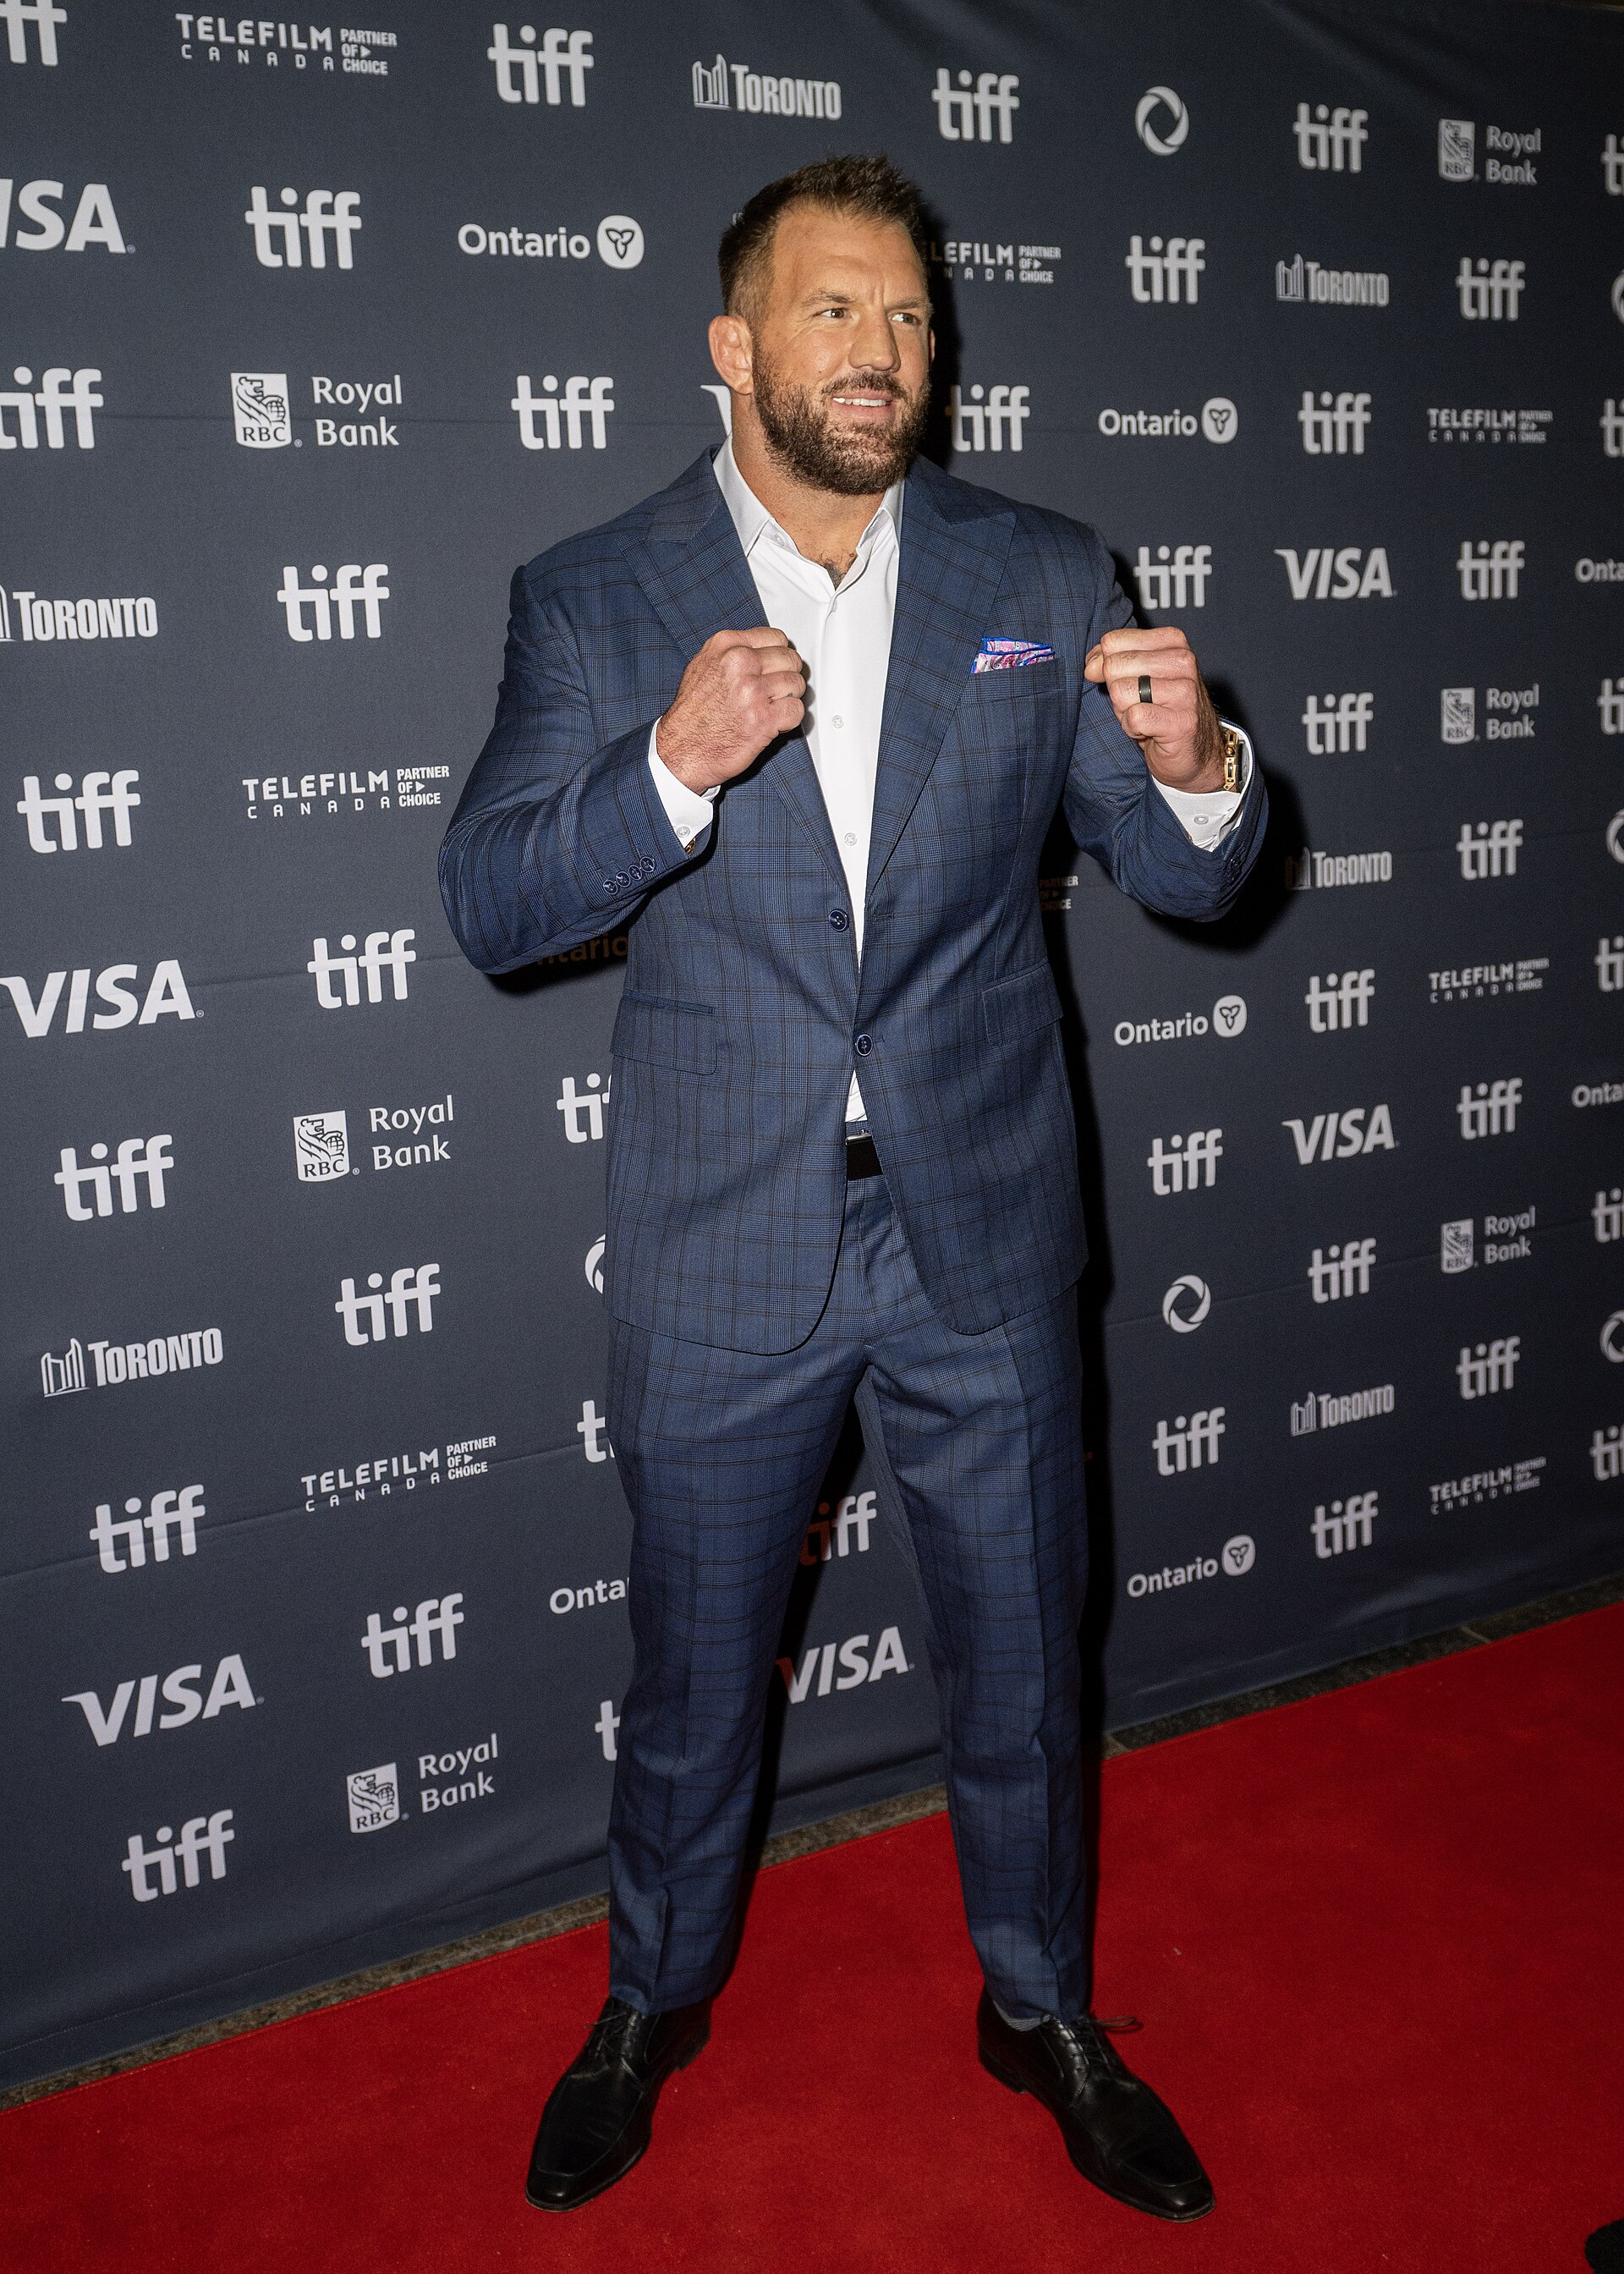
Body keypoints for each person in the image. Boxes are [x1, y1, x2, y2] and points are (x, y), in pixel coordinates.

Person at [440, 153, 1265, 2224]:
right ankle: (649, 1999)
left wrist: (1195, 775)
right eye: (832, 312)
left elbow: (1182, 878)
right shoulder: (593, 591)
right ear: (731, 347)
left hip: (980, 1227)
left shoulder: (1042, 569)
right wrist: (665, 772)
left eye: (907, 318)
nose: (880, 353)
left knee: (1024, 1657)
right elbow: (490, 905)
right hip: (732, 1247)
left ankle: (1043, 2003)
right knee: (699, 1675)